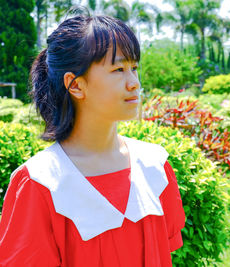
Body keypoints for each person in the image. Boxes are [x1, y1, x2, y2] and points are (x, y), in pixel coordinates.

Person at [0, 14, 185, 266]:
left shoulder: (155, 165)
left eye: (134, 68)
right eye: (118, 69)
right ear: (75, 85)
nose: (134, 83)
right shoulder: (39, 182)